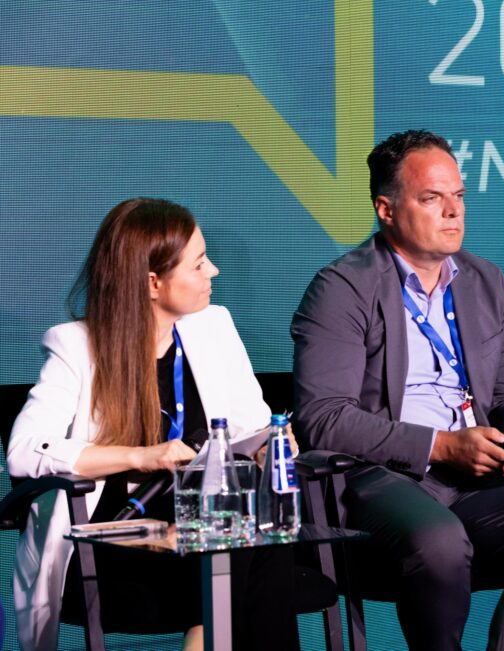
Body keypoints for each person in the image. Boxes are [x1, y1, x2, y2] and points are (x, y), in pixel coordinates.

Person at [291, 129, 504, 651]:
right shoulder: (341, 288)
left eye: (459, 196)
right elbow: (324, 417)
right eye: (432, 198)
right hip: (379, 476)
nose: (454, 211)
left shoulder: (485, 281)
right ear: (386, 209)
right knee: (438, 538)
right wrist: (442, 446)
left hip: (474, 476)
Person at [7, 198, 299, 651]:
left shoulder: (213, 327)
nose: (214, 271)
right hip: (115, 535)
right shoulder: (75, 346)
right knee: (245, 549)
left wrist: (269, 446)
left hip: (202, 528)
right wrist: (140, 456)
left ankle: (202, 638)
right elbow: (25, 450)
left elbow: (250, 427)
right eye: (198, 264)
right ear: (152, 283)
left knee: (254, 543)